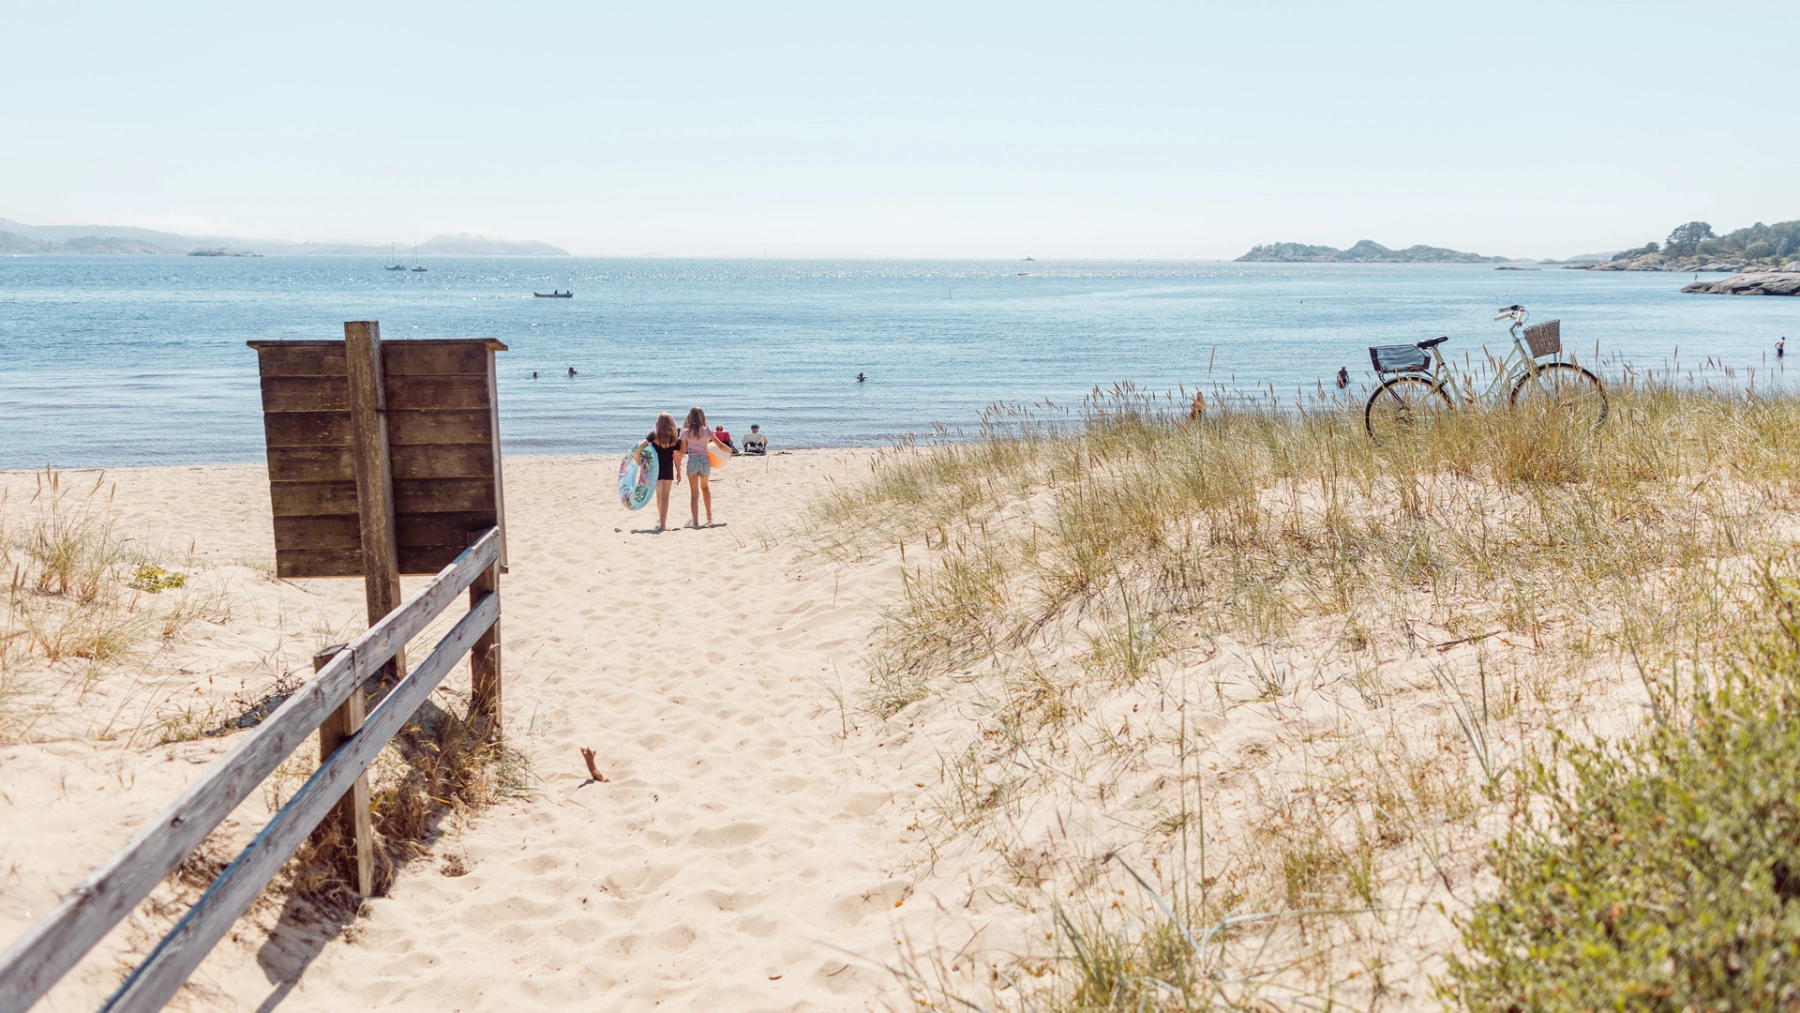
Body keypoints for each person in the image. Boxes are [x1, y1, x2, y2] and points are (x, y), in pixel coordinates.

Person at [679, 406, 731, 527]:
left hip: (692, 461)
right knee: (705, 488)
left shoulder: (685, 432)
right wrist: (730, 451)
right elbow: (720, 445)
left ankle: (696, 521)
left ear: (690, 417)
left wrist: (677, 461)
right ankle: (709, 517)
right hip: (705, 461)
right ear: (702, 417)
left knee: (694, 494)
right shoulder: (707, 430)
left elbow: (682, 451)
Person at [634, 412, 683, 531]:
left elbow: (640, 446)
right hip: (667, 469)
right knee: (665, 497)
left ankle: (660, 520)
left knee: (659, 495)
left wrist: (637, 459)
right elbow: (675, 457)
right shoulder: (674, 436)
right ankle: (663, 525)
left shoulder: (654, 434)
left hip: (655, 469)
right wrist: (678, 471)